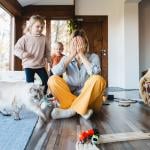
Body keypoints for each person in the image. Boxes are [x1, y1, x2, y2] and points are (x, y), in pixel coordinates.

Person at [48, 29, 106, 120]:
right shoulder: (66, 58)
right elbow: (55, 72)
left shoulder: (93, 57)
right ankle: (82, 110)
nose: (77, 46)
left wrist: (81, 55)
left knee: (99, 80)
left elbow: (95, 72)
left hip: (89, 98)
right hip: (69, 97)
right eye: (75, 44)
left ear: (85, 44)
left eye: (80, 43)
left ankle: (71, 111)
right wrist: (72, 55)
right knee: (52, 80)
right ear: (71, 45)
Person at [14, 15, 50, 95]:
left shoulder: (43, 38)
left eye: (42, 27)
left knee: (46, 81)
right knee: (30, 84)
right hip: (28, 65)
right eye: (37, 26)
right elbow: (16, 49)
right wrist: (23, 54)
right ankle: (30, 97)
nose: (40, 29)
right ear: (30, 27)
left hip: (40, 65)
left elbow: (47, 50)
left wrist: (49, 59)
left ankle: (42, 95)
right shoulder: (25, 38)